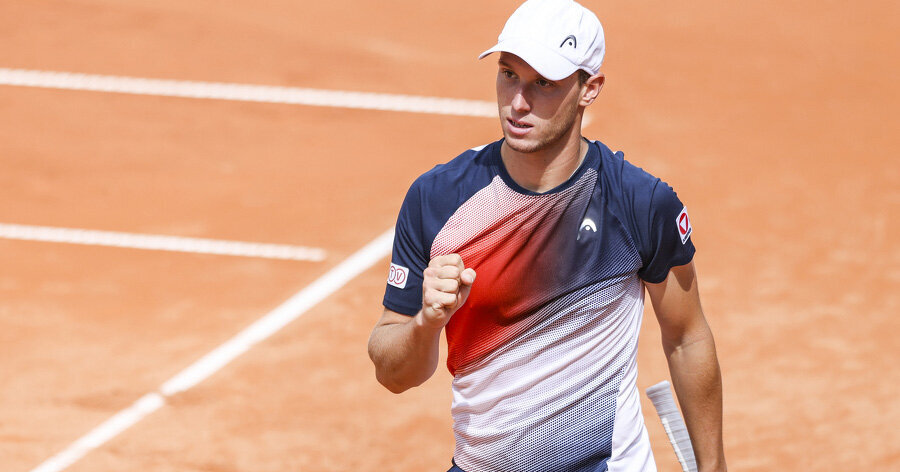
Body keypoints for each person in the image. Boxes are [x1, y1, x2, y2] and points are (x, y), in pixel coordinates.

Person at [367, 0, 726, 470]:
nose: (518, 102)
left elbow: (687, 337)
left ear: (589, 89)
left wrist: (714, 467)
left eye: (543, 84)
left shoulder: (638, 202)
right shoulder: (436, 198)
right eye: (508, 74)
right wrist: (426, 323)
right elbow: (393, 374)